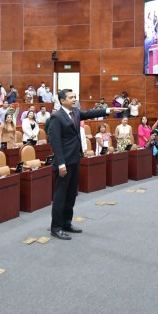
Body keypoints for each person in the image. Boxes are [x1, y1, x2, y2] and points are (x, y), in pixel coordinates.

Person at [48, 88, 118, 240]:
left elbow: (90, 113)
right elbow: (55, 142)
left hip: (75, 159)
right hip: (64, 162)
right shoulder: (56, 117)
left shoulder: (75, 113)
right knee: (61, 196)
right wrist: (60, 164)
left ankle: (67, 223)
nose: (74, 99)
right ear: (62, 101)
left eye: (75, 97)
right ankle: (56, 227)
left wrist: (109, 110)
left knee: (71, 194)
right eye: (71, 97)